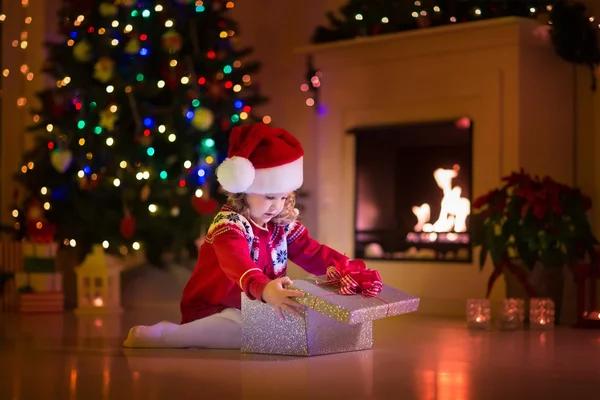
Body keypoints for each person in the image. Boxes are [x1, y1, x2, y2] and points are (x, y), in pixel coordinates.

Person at [123, 122, 363, 349]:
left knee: (293, 324)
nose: (276, 207)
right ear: (244, 191)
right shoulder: (228, 226)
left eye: (283, 198)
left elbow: (311, 251)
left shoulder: (279, 225)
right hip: (216, 309)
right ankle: (167, 335)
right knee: (253, 332)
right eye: (269, 197)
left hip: (257, 305)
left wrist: (346, 270)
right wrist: (263, 287)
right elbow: (237, 263)